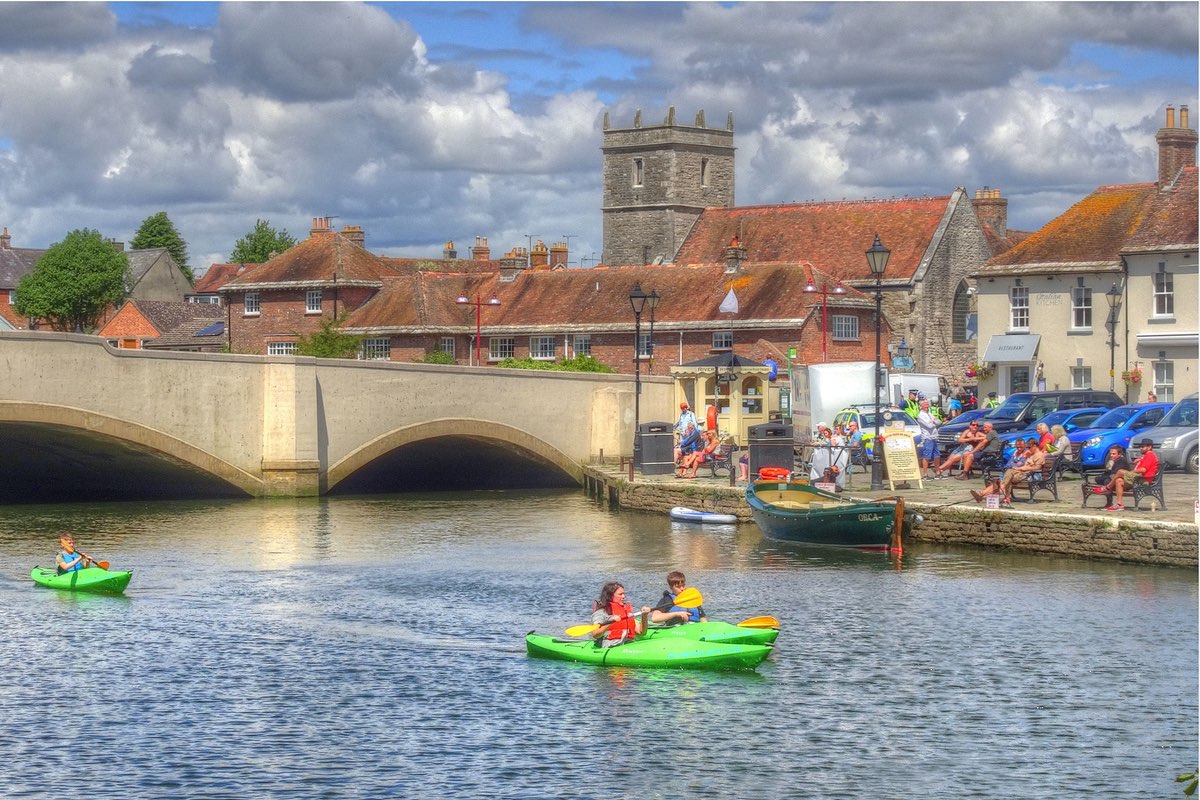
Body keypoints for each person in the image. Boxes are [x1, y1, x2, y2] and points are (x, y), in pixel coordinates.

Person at [1097, 438, 1159, 512]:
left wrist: (1132, 472)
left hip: (1143, 479)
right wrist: (1140, 460)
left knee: (1120, 471)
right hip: (1138, 478)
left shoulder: (1150, 455)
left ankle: (1107, 487)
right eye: (1141, 446)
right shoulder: (1146, 456)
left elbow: (1143, 470)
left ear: (1149, 447)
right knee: (1119, 480)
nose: (1141, 448)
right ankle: (1119, 505)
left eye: (1143, 447)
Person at [590, 582, 650, 647]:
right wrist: (611, 622)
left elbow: (641, 632)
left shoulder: (625, 610)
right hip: (611, 645)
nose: (623, 596)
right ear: (610, 596)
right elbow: (595, 634)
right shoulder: (601, 612)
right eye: (620, 594)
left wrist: (644, 616)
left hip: (628, 643)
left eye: (623, 594)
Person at [916, 397, 940, 479]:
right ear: (921, 406)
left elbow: (939, 422)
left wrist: (933, 422)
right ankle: (925, 474)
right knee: (927, 456)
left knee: (937, 455)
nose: (927, 406)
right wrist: (934, 422)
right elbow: (929, 426)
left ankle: (938, 472)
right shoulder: (920, 415)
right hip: (927, 438)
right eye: (925, 405)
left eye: (927, 404)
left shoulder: (929, 414)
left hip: (934, 436)